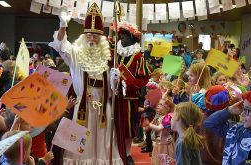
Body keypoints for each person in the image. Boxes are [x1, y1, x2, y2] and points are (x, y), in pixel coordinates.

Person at [49, 3, 123, 165]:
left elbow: (114, 92)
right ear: (84, 36)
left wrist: (115, 81)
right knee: (79, 149)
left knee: (103, 147)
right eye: (88, 35)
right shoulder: (76, 54)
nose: (92, 39)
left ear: (101, 38)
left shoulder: (108, 58)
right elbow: (61, 45)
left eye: (95, 36)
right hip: (82, 108)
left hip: (103, 110)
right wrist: (63, 25)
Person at [113, 21, 150, 164]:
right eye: (120, 36)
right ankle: (116, 151)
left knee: (127, 128)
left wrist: (128, 83)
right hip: (114, 97)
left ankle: (127, 153)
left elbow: (144, 79)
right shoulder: (115, 53)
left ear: (131, 38)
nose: (121, 39)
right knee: (115, 126)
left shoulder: (138, 57)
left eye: (124, 36)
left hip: (129, 98)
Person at [204, 90, 251, 164]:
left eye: (247, 110)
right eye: (243, 108)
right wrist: (229, 111)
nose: (242, 114)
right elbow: (209, 123)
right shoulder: (235, 129)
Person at [144, 97, 175, 165]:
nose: (157, 105)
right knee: (160, 159)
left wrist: (149, 124)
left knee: (163, 159)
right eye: (158, 104)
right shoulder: (160, 116)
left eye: (160, 104)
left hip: (164, 142)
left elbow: (158, 128)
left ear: (166, 108)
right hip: (160, 140)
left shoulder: (167, 117)